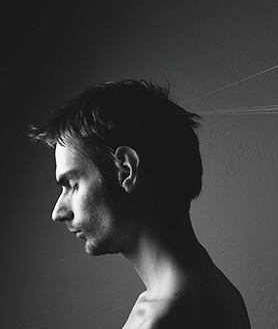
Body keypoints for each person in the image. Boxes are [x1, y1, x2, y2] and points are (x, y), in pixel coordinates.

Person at [29, 79, 251, 329]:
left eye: (72, 184)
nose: (58, 212)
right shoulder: (216, 290)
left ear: (125, 170)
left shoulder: (164, 320)